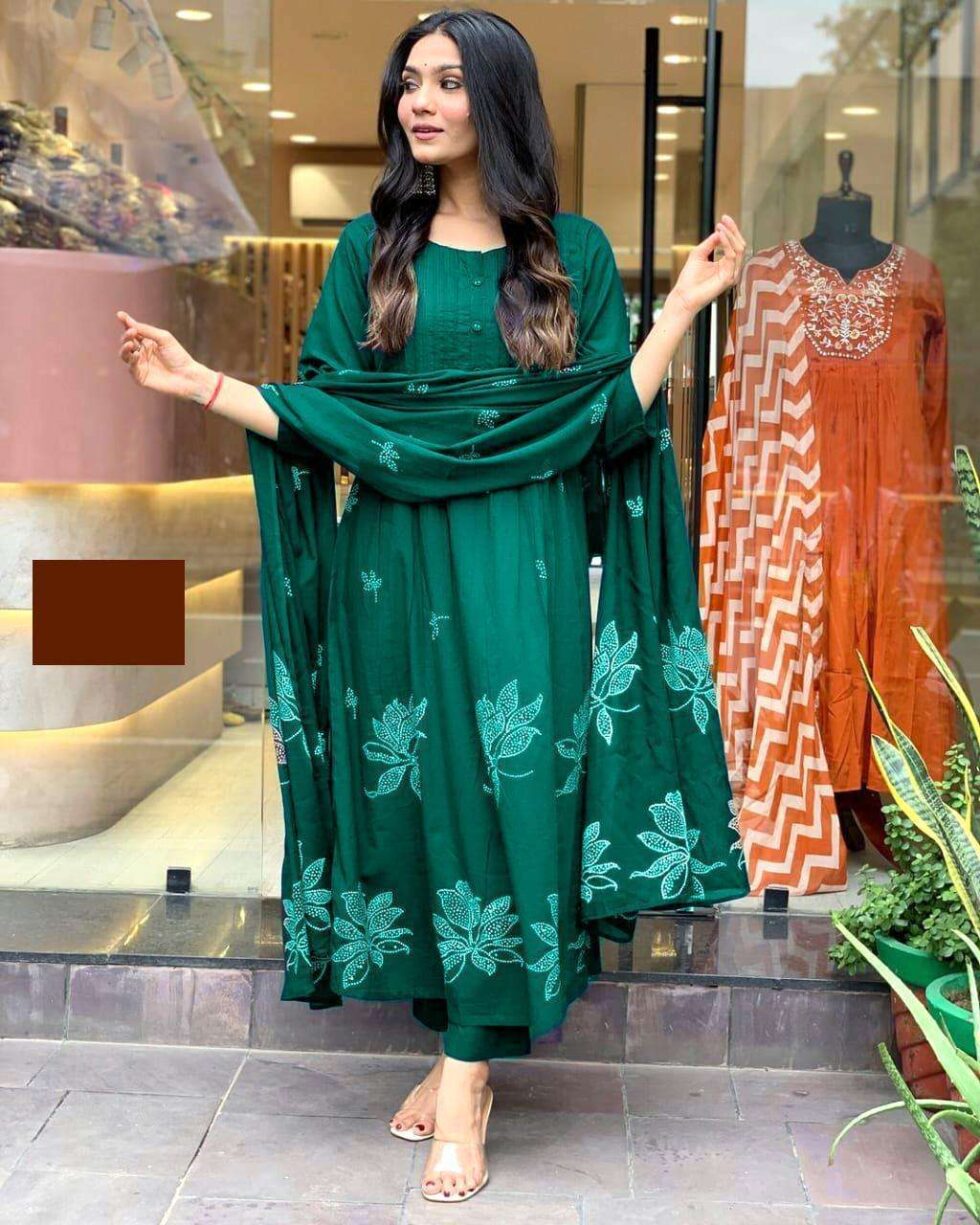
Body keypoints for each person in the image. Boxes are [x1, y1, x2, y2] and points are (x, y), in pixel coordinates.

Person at [116, 8, 746, 1203]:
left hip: (522, 565)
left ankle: (463, 1080)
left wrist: (680, 308)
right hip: (391, 569)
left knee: (510, 801)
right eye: (410, 81)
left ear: (496, 98)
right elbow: (328, 416)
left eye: (449, 81)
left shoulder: (566, 253)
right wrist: (195, 383)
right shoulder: (371, 252)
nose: (421, 101)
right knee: (414, 805)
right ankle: (463, 1049)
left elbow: (605, 420)